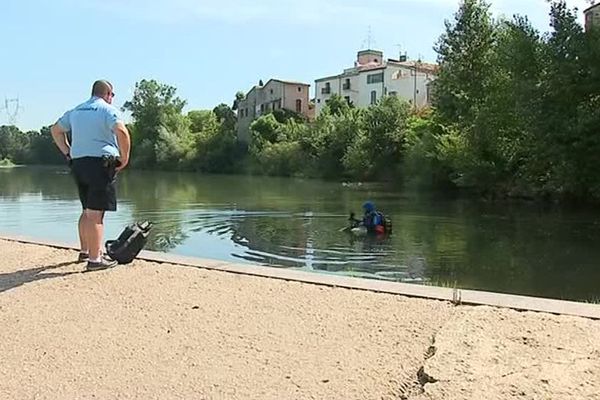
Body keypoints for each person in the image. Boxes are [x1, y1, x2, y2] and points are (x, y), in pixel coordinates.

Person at [51, 80, 131, 271]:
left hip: (79, 163)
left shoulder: (76, 110)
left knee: (87, 209)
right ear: (108, 94)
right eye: (112, 95)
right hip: (100, 163)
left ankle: (85, 250)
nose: (112, 98)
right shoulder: (107, 110)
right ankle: (95, 260)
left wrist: (67, 152)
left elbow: (55, 129)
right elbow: (121, 131)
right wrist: (124, 158)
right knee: (96, 213)